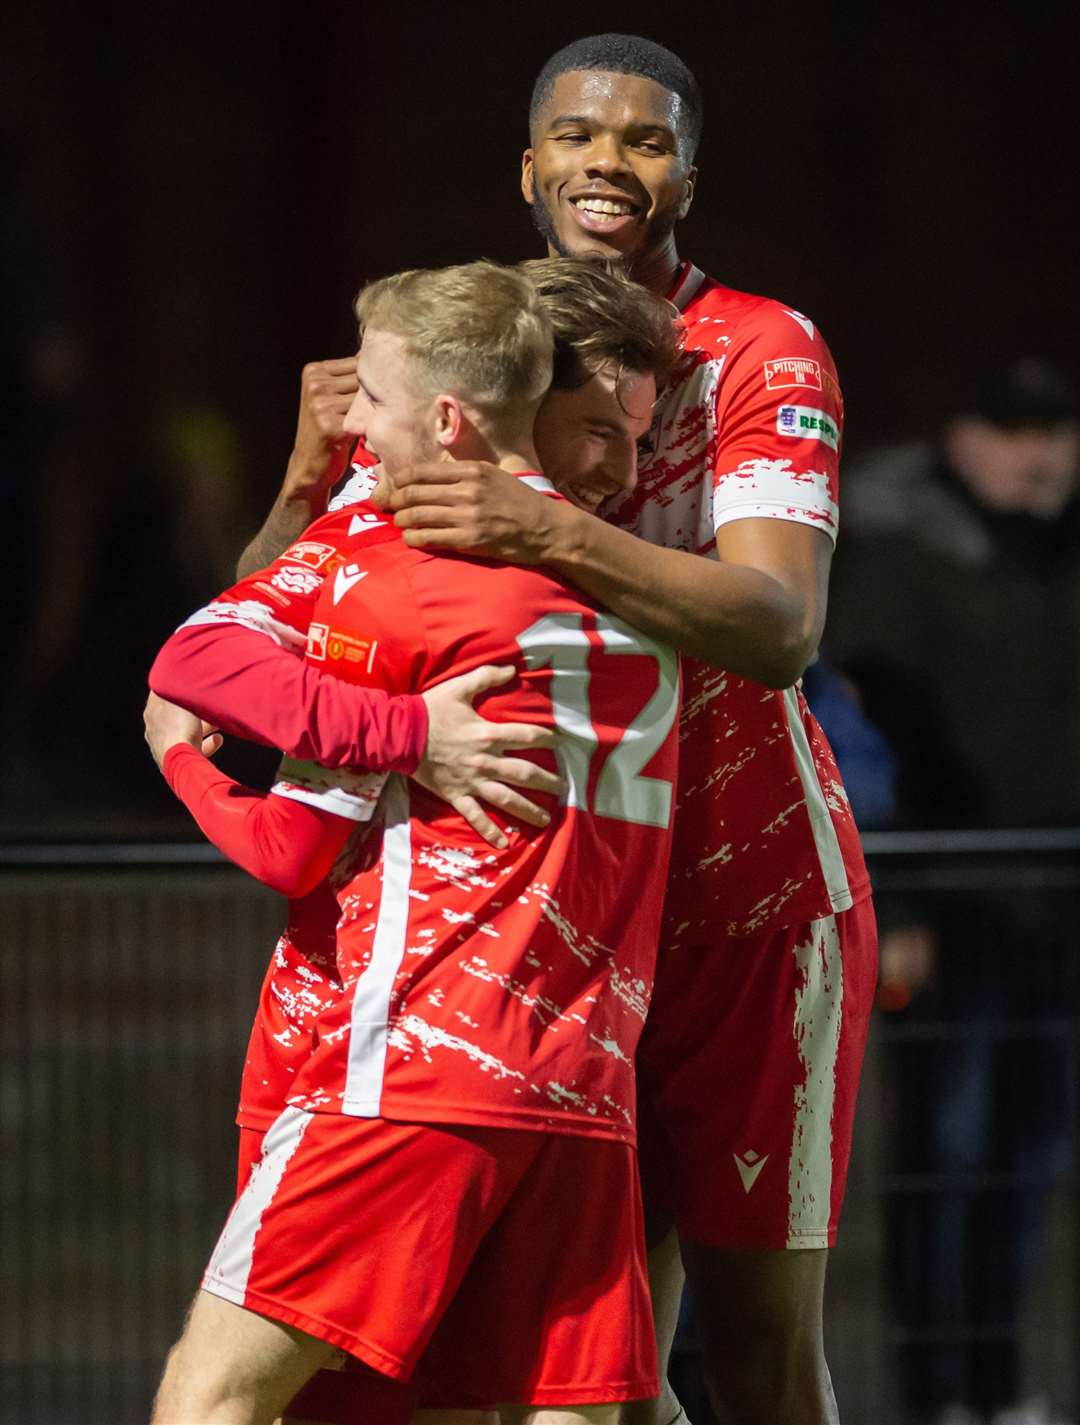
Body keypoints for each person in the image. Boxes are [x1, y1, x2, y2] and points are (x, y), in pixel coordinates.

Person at [273, 35, 872, 1425]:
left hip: (744, 900)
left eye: (646, 140)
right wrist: (305, 488)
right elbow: (280, 627)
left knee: (750, 1353)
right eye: (580, 137)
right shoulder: (464, 348)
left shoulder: (757, 349)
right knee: (572, 1362)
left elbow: (780, 627)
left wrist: (535, 525)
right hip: (549, 920)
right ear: (531, 166)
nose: (610, 162)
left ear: (687, 178)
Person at [146, 259, 681, 1425]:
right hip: (586, 1083)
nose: (353, 435)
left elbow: (197, 672)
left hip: (417, 1067)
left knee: (213, 1395)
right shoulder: (646, 606)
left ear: (445, 420)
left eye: (371, 407)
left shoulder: (392, 577)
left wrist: (185, 756)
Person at [827, 356, 1080, 1425]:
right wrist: (905, 907)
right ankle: (938, 1390)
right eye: (1011, 430)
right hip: (955, 909)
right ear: (959, 440)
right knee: (947, 1161)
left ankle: (996, 1381)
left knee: (1026, 1163)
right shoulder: (898, 556)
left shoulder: (1059, 554)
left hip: (1054, 910)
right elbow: (866, 747)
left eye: (1054, 431)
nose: (1036, 454)